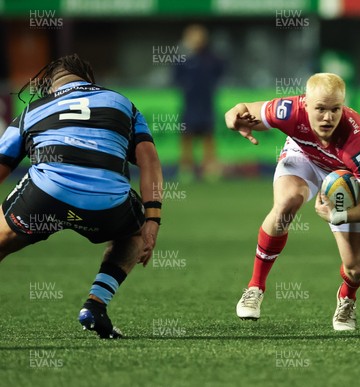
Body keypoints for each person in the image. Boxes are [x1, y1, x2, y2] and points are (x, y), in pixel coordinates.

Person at [0, 54, 163, 338]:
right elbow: (149, 161)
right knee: (133, 235)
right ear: (89, 80)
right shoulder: (122, 103)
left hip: (45, 195)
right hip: (107, 201)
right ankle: (95, 305)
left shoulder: (32, 110)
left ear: (51, 83)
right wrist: (152, 220)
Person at [225, 73, 360, 330]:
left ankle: (347, 298)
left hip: (343, 178)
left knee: (356, 270)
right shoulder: (289, 111)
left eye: (335, 109)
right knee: (287, 202)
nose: (328, 117)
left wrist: (339, 216)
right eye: (320, 109)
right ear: (305, 104)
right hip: (303, 158)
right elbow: (244, 111)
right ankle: (255, 287)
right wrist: (233, 117)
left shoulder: (357, 143)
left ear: (343, 105)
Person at [174, 24, 224, 182]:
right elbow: (176, 78)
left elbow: (220, 72)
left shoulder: (211, 58)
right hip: (190, 104)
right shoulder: (182, 59)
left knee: (208, 136)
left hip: (206, 103)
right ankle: (186, 169)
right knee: (187, 136)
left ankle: (210, 168)